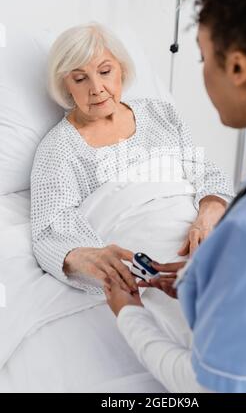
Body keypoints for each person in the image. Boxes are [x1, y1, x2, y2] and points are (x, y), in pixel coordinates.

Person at [105, 0, 246, 393]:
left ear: (237, 67)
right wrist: (208, 278)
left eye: (202, 57)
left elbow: (207, 389)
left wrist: (128, 313)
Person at [30, 21, 233, 295]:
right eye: (80, 78)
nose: (96, 87)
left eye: (104, 71)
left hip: (199, 233)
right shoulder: (58, 148)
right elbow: (50, 230)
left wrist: (210, 212)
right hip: (147, 251)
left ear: (122, 70)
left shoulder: (161, 114)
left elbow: (205, 172)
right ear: (65, 86)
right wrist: (84, 257)